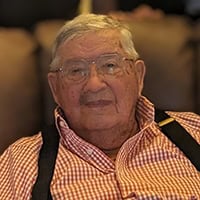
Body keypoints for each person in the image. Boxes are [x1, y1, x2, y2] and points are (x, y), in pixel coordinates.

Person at [0, 14, 200, 199]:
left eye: (110, 65)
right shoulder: (20, 163)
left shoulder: (194, 131)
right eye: (76, 70)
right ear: (55, 88)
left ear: (138, 76)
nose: (94, 85)